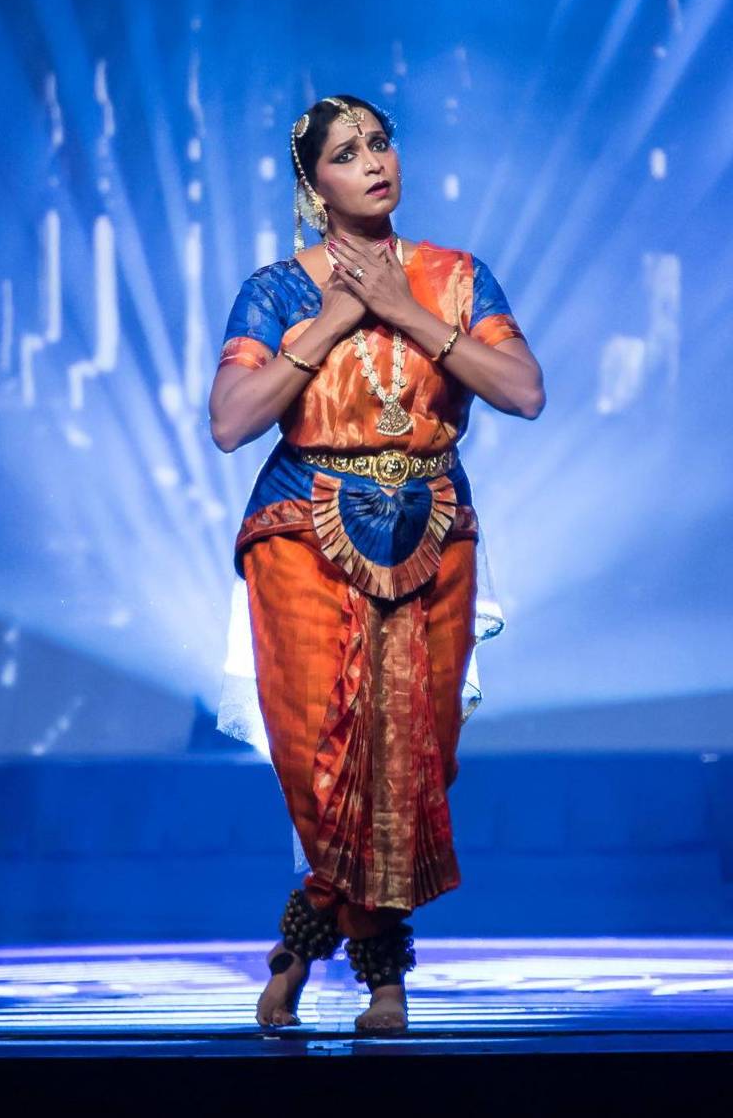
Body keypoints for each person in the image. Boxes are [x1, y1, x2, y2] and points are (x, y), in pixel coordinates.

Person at [208, 95, 545, 1032]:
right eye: (348, 153)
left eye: (382, 143)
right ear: (314, 187)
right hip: (302, 534)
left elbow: (524, 391)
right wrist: (332, 322)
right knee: (325, 764)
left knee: (412, 765)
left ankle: (297, 950)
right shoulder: (278, 290)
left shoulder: (455, 277)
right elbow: (231, 421)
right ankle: (386, 977)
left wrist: (406, 312)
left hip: (433, 530)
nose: (374, 162)